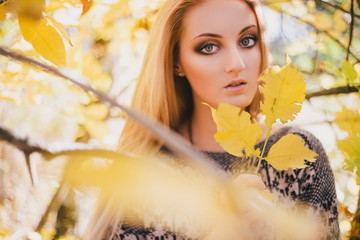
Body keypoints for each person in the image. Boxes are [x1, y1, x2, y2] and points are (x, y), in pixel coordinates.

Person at [84, 0, 340, 239]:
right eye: (209, 47)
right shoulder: (144, 174)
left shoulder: (300, 159)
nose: (236, 63)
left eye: (247, 40)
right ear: (176, 62)